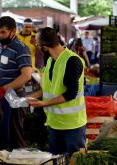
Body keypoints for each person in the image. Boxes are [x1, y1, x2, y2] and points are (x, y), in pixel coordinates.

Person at [28, 27, 87, 157]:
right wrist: (28, 98)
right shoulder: (50, 61)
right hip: (55, 124)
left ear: (44, 45)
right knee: (56, 160)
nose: (36, 45)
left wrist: (44, 104)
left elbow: (71, 94)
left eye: (37, 43)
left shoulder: (72, 61)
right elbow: (47, 89)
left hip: (72, 126)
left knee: (74, 160)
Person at [0, 16, 32, 151]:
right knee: (3, 134)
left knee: (15, 135)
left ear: (13, 31)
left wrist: (3, 88)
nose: (0, 35)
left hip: (15, 95)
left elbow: (26, 75)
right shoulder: (2, 46)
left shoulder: (21, 48)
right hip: (1, 95)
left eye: (3, 32)